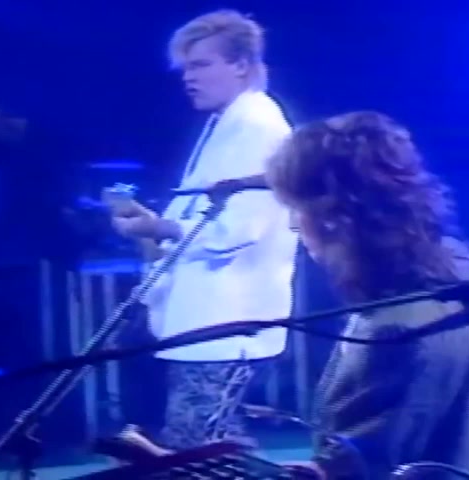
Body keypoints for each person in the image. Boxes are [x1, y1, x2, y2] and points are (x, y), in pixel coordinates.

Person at [265, 111, 469, 479]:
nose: (293, 224)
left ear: (335, 216)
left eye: (297, 208)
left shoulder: (390, 331)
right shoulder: (457, 263)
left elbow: (358, 467)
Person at [108, 10, 298, 449]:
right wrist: (154, 225)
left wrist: (160, 225)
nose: (188, 78)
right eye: (185, 68)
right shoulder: (226, 123)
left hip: (227, 323)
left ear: (241, 65)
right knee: (192, 443)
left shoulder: (258, 127)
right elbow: (204, 209)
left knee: (200, 444)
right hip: (202, 321)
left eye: (201, 65)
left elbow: (239, 226)